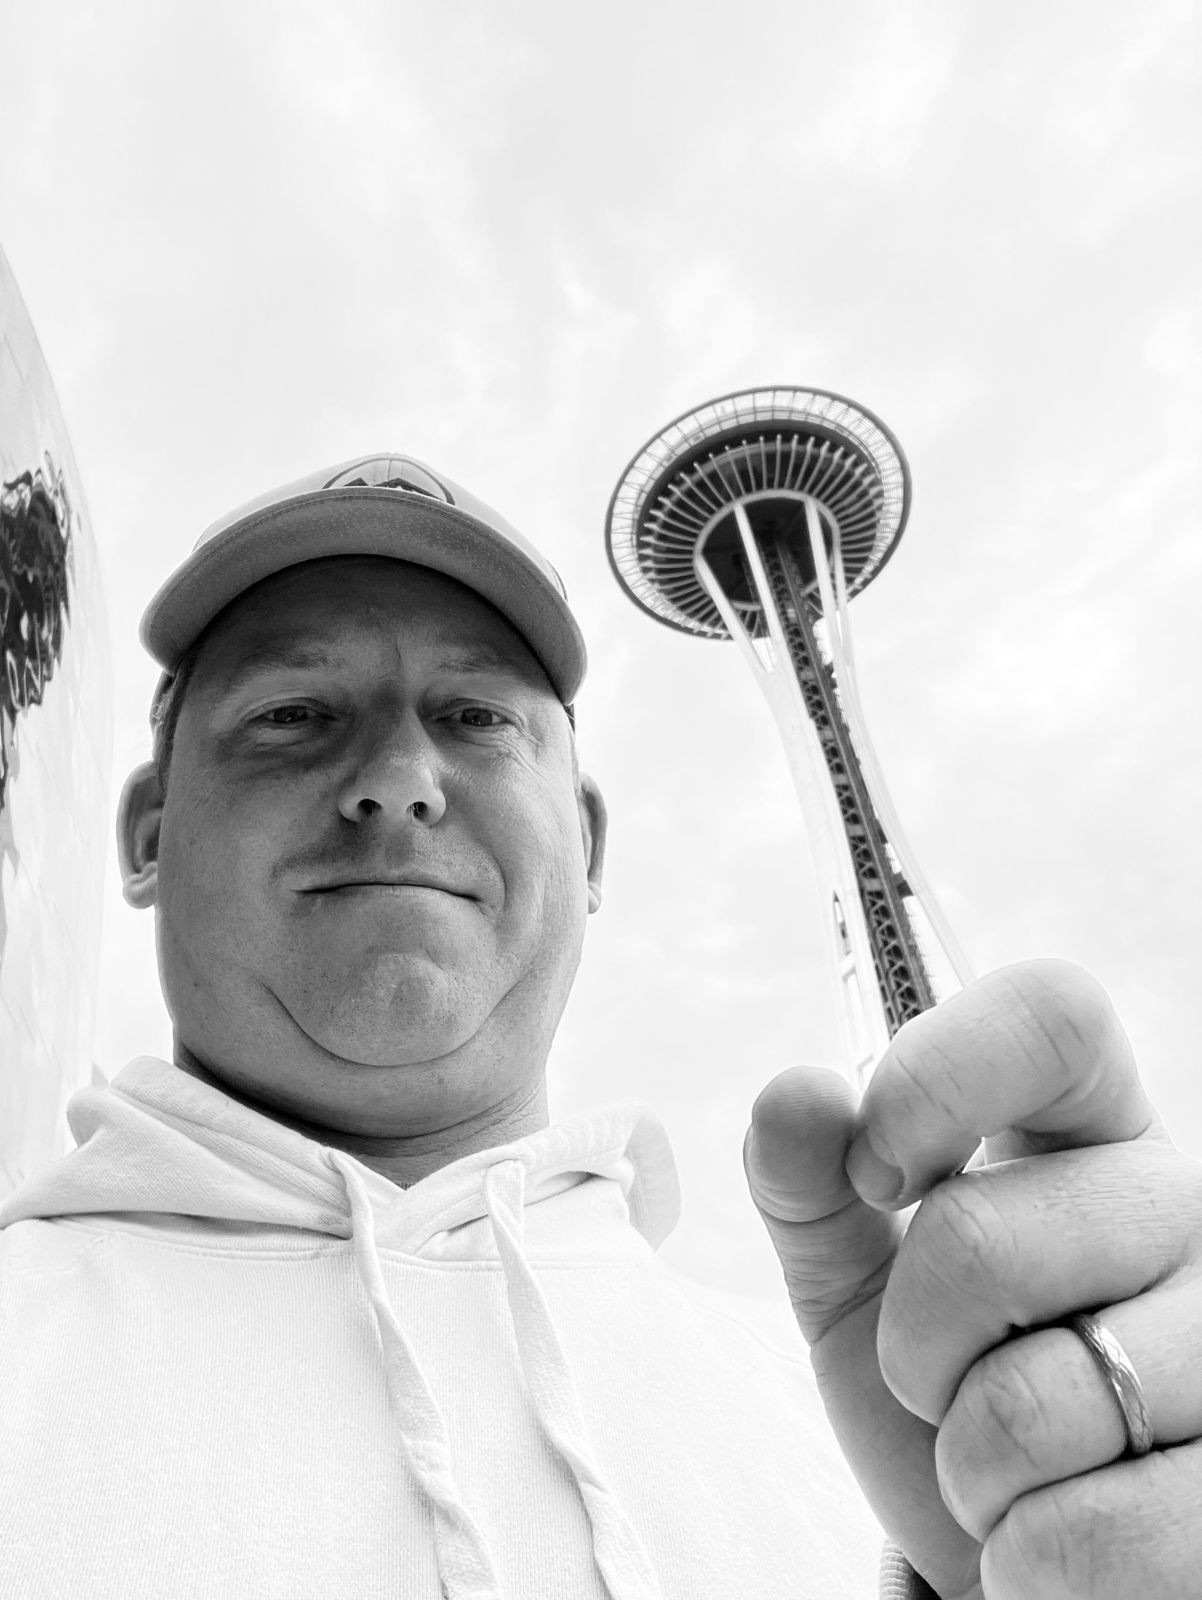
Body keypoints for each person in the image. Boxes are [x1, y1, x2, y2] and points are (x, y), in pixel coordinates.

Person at [0, 454, 1197, 1598]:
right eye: (293, 712)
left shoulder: (909, 1444)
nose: (399, 777)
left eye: (474, 715)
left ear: (587, 845)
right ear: (147, 832)